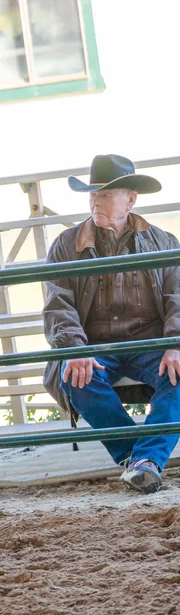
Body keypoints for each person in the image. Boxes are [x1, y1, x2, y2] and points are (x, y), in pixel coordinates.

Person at [43, 154, 180, 493]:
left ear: (130, 199)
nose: (96, 201)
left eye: (105, 194)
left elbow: (179, 298)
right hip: (94, 345)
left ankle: (141, 460)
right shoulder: (66, 245)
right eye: (93, 194)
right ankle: (142, 460)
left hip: (149, 344)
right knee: (74, 376)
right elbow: (58, 305)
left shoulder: (163, 242)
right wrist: (76, 350)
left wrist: (175, 343)